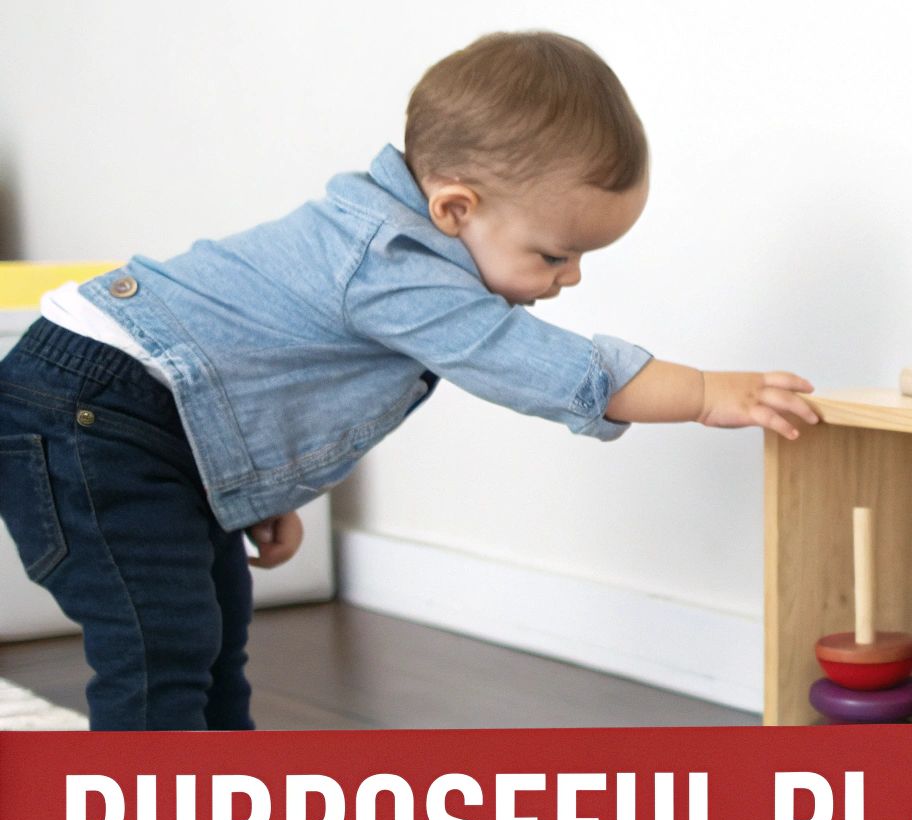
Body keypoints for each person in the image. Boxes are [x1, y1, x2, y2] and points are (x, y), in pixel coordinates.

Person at [0, 31, 817, 731]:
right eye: (554, 254)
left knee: (215, 623)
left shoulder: (386, 241)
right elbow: (540, 365)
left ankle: (215, 806)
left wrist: (255, 490)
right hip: (86, 413)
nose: (569, 279)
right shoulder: (393, 264)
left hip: (139, 412)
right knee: (160, 637)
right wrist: (708, 392)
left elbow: (250, 368)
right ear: (456, 208)